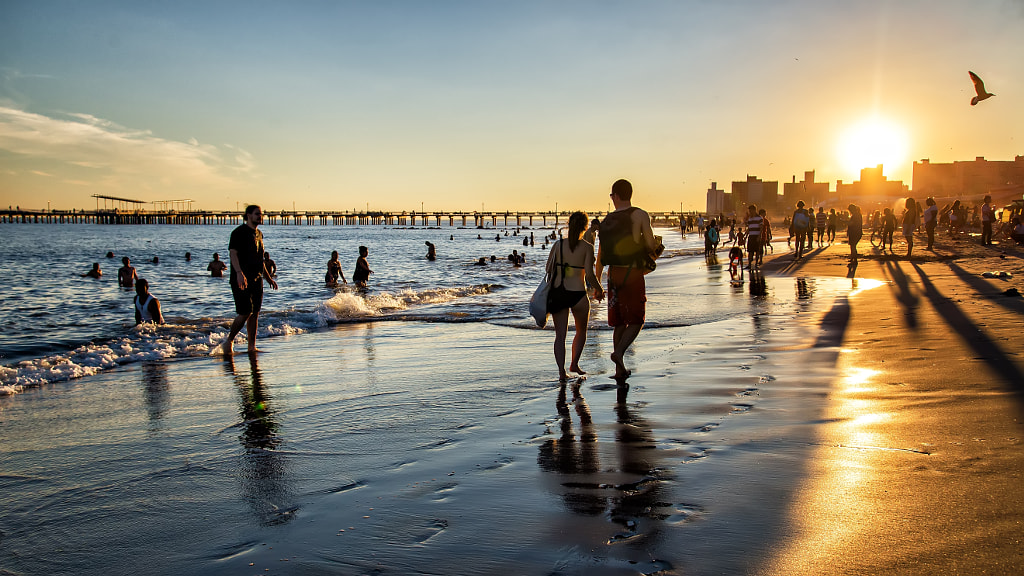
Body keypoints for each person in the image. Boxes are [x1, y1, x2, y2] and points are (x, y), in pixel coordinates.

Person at [596, 179, 658, 380]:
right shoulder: (639, 214)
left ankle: (619, 369)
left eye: (611, 196)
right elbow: (649, 245)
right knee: (637, 320)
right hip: (632, 272)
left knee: (619, 322)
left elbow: (600, 256)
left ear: (616, 195)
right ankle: (619, 353)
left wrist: (597, 282)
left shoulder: (606, 221)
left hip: (613, 274)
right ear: (629, 194)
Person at [546, 212, 604, 381]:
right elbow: (590, 276)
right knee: (581, 332)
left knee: (560, 336)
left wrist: (564, 269)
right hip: (578, 294)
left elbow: (548, 270)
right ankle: (574, 364)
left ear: (569, 224)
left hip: (558, 293)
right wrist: (599, 289)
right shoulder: (587, 247)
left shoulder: (558, 245)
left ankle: (561, 373)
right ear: (585, 227)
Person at [221, 205, 279, 355]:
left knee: (255, 313)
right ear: (248, 215)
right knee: (245, 312)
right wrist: (239, 273)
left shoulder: (259, 234)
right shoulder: (239, 233)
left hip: (256, 279)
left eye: (261, 214)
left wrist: (268, 278)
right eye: (257, 214)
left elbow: (260, 260)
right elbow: (233, 254)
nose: (260, 216)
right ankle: (229, 341)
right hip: (241, 279)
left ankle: (251, 347)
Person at [745, 205, 763, 269]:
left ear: (754, 210)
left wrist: (759, 236)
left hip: (756, 236)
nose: (750, 212)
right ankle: (749, 264)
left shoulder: (759, 218)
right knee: (750, 251)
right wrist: (745, 235)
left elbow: (761, 228)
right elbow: (749, 228)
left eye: (750, 211)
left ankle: (756, 264)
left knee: (757, 250)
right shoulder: (750, 218)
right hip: (751, 236)